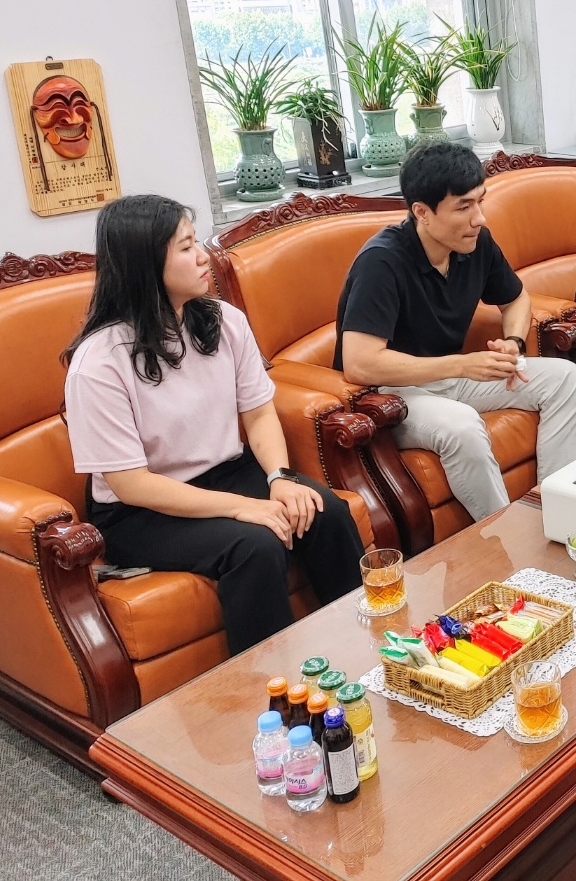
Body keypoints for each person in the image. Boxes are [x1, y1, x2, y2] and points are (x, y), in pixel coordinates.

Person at [64, 195, 364, 655]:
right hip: (141, 510)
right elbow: (130, 484)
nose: (204, 256)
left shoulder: (225, 321)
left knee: (325, 512)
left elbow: (259, 412)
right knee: (255, 545)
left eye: (197, 241)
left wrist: (279, 478)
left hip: (227, 472)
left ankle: (363, 650)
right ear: (146, 264)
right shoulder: (98, 363)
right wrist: (241, 508)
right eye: (186, 248)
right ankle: (274, 688)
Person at [336, 143, 576, 522]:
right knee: (463, 426)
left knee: (567, 379)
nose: (479, 218)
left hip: (453, 377)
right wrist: (462, 365)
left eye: (480, 202)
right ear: (422, 212)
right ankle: (507, 537)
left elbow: (517, 300)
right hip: (393, 396)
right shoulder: (381, 262)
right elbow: (360, 363)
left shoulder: (475, 242)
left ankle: (561, 513)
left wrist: (513, 343)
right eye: (463, 207)